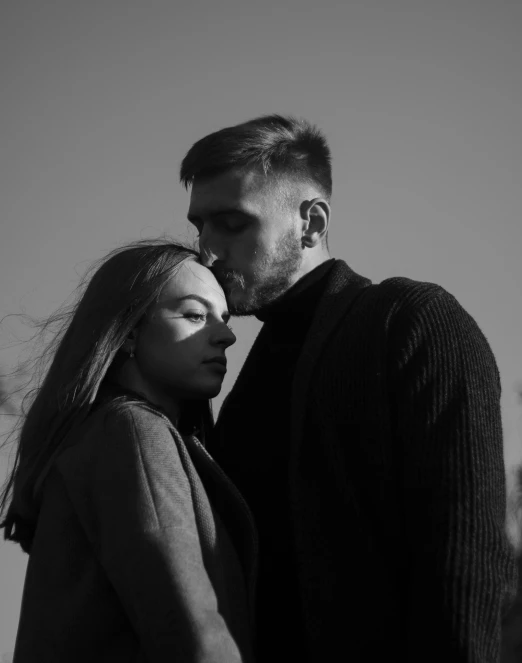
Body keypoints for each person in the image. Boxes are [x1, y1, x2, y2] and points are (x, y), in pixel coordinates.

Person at [180, 114, 517, 663]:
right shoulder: (235, 382)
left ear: (311, 222)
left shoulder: (410, 322)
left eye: (232, 223)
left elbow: (465, 556)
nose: (206, 251)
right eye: (199, 226)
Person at [0, 240, 257, 663]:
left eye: (224, 319)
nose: (227, 335)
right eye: (195, 314)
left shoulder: (106, 433)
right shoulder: (132, 431)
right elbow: (191, 626)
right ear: (130, 331)